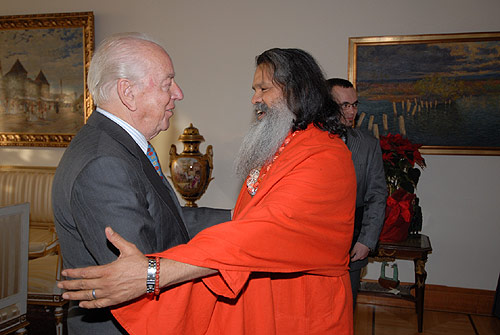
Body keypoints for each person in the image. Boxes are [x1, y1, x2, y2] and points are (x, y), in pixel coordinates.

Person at [58, 48, 357, 334]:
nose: (254, 99)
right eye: (255, 90)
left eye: (263, 89)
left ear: (297, 90)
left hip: (300, 311)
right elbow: (249, 225)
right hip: (263, 307)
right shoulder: (281, 148)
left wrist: (153, 273)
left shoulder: (324, 156)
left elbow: (265, 232)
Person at [52, 32, 230, 334]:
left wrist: (242, 218)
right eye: (167, 83)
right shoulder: (104, 164)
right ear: (128, 93)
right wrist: (233, 254)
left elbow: (164, 219)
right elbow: (145, 270)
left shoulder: (119, 145)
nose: (178, 93)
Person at [327, 78, 387, 305]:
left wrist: (367, 241)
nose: (352, 111)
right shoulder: (307, 142)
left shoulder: (368, 145)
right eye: (345, 105)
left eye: (355, 105)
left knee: (345, 307)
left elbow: (377, 196)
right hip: (313, 243)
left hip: (352, 244)